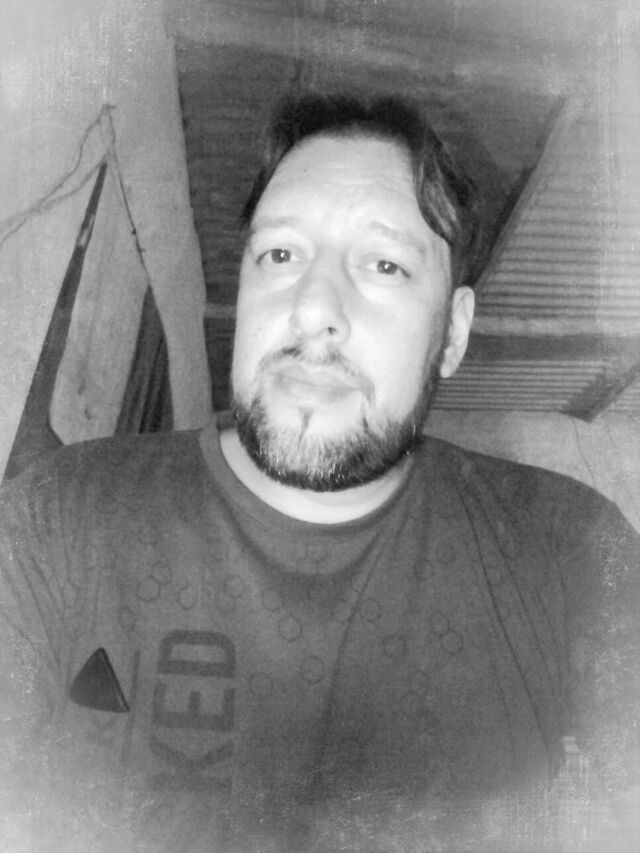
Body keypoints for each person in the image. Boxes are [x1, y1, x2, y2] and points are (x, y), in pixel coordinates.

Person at [0, 93, 638, 853]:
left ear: (452, 334)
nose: (313, 308)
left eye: (384, 264)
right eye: (281, 254)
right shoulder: (55, 518)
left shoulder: (571, 549)